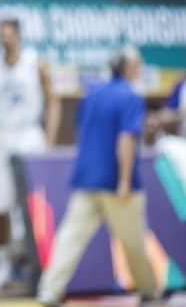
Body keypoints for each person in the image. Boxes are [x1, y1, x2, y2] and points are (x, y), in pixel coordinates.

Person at [37, 47, 159, 305]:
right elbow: (126, 140)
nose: (140, 68)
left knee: (70, 238)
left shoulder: (92, 94)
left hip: (86, 178)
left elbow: (82, 130)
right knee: (134, 241)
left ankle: (49, 290)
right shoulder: (131, 97)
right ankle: (149, 292)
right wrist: (125, 181)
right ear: (128, 68)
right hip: (116, 184)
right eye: (138, 63)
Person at [0, 18, 61, 291]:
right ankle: (3, 264)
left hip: (29, 135)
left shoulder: (34, 62)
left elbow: (54, 100)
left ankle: (37, 262)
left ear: (18, 35)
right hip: (1, 136)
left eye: (9, 34)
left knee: (34, 203)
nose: (5, 38)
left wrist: (49, 141)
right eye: (1, 34)